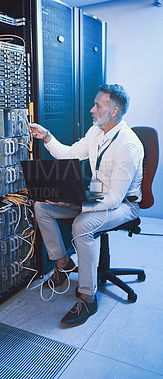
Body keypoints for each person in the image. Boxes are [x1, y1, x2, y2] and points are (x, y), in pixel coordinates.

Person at [29, 84, 144, 327]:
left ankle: (87, 297)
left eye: (97, 106)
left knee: (82, 224)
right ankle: (63, 264)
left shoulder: (128, 145)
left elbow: (114, 199)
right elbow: (68, 153)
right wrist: (47, 136)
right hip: (97, 196)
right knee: (42, 207)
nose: (92, 110)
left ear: (113, 112)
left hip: (124, 204)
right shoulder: (96, 132)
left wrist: (77, 207)